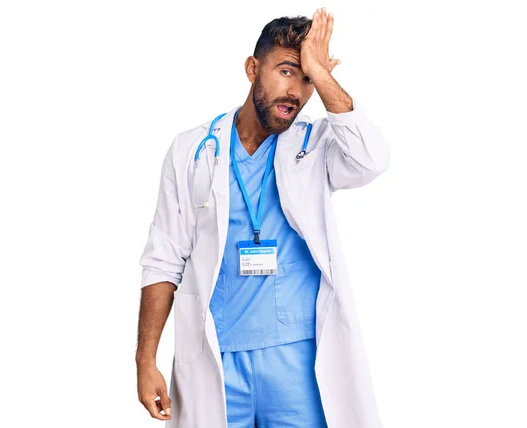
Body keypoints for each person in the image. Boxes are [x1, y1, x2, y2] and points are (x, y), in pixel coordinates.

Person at [136, 8, 389, 428]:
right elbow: (163, 258)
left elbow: (371, 159)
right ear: (253, 68)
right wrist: (146, 360)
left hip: (298, 364)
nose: (296, 91)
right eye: (287, 71)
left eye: (306, 79)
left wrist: (322, 75)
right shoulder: (191, 151)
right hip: (217, 360)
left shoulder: (317, 144)